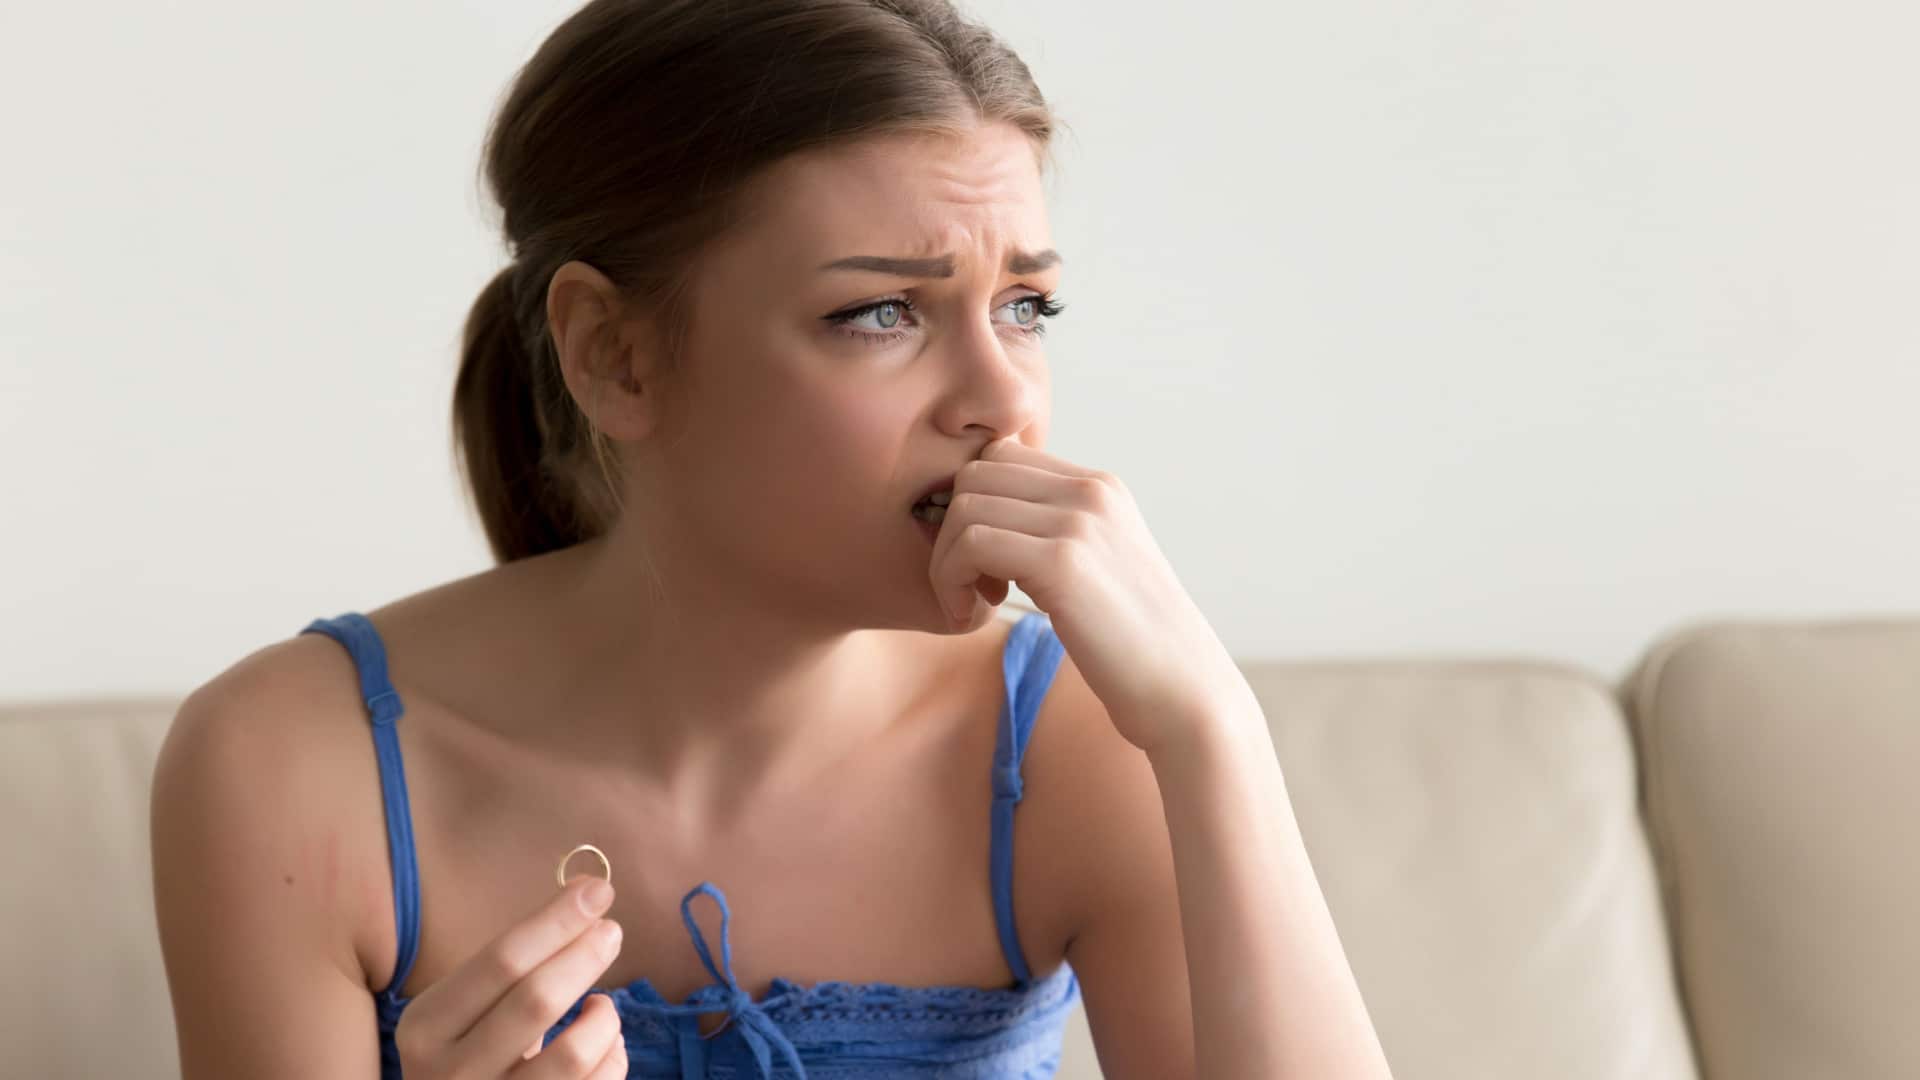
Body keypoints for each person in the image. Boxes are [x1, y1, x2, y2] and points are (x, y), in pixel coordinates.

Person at [149, 1, 1394, 1077]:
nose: (1003, 398)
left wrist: (1213, 735)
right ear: (614, 354)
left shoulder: (1085, 744)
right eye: (881, 311)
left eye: (1026, 306)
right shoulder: (293, 768)